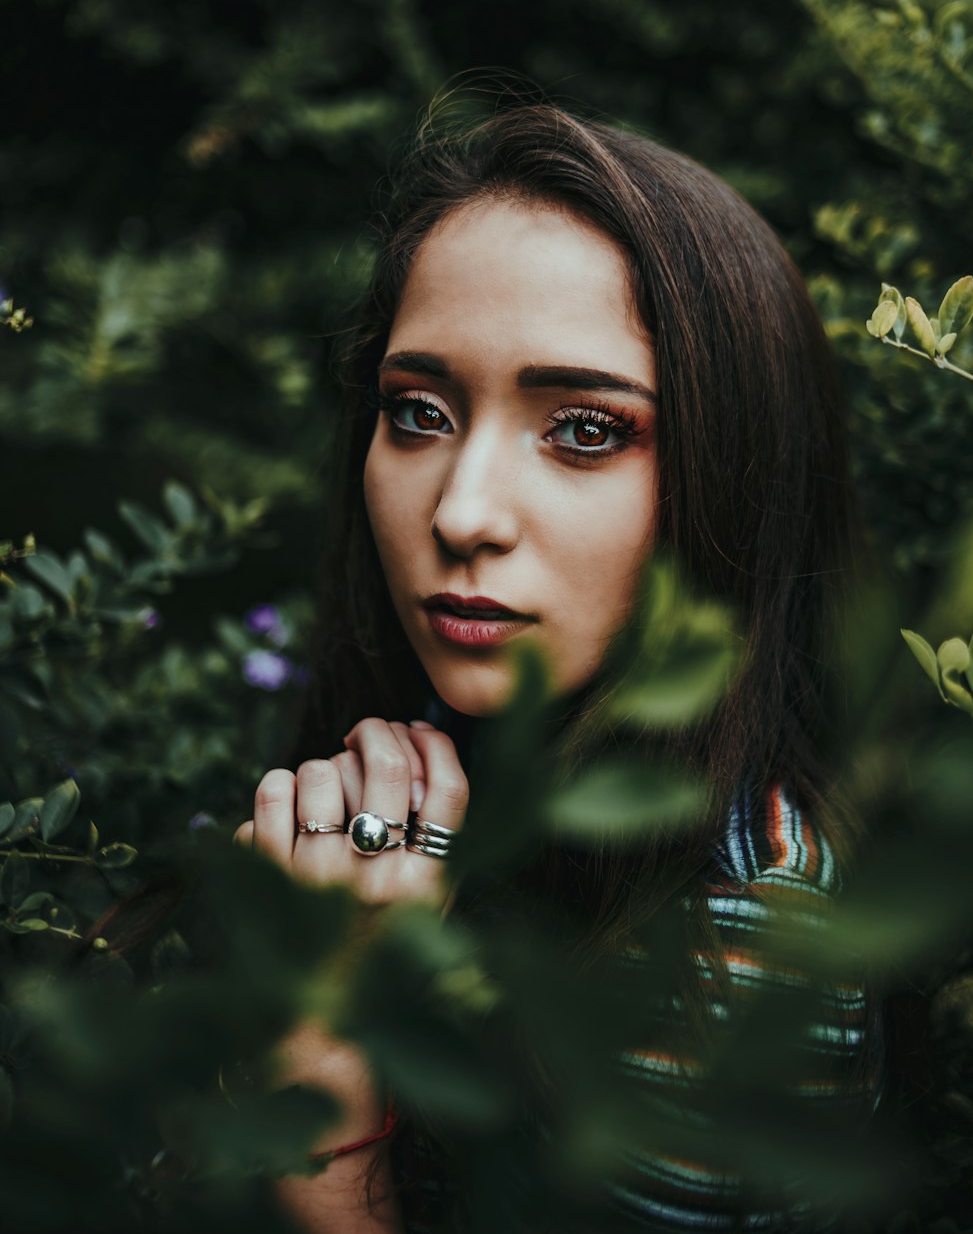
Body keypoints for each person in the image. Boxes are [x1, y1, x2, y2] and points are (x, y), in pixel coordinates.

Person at [234, 90, 883, 1232]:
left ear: (730, 479)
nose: (463, 511)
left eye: (584, 429)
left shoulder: (740, 929)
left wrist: (321, 1062)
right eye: (418, 411)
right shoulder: (425, 775)